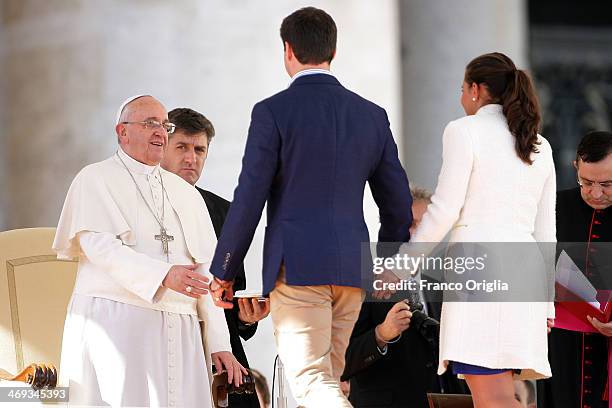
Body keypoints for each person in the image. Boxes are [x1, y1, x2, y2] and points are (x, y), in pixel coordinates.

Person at [208, 7, 413, 407]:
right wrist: (389, 259)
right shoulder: (371, 115)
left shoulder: (273, 112)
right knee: (327, 382)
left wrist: (224, 270)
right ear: (332, 51)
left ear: (288, 50)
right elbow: (399, 202)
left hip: (299, 268)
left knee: (309, 382)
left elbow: (249, 197)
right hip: (352, 269)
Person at [53, 95, 245, 407]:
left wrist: (219, 342)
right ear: (122, 131)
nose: (160, 131)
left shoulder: (186, 194)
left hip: (181, 331)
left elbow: (207, 271)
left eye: (164, 125)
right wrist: (162, 274)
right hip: (117, 325)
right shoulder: (94, 179)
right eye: (149, 123)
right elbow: (99, 246)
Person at [406, 53, 556, 407]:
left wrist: (402, 262)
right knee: (499, 395)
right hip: (526, 280)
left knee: (492, 399)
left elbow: (443, 209)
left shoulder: (463, 131)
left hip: (479, 275)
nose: (460, 98)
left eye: (462, 89)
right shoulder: (541, 144)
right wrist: (548, 304)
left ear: (476, 90)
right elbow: (546, 231)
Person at [160, 107, 270, 407]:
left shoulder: (225, 212)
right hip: (159, 339)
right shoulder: (138, 204)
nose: (191, 158)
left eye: (199, 150)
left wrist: (247, 320)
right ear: (161, 146)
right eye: (181, 147)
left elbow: (232, 292)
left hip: (220, 352)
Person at [342, 188, 468, 407]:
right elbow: (340, 361)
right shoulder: (361, 281)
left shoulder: (444, 284)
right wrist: (381, 335)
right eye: (407, 224)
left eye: (423, 226)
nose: (415, 234)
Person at [537, 131, 612, 408]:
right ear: (575, 169)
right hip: (563, 347)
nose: (595, 193)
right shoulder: (552, 208)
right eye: (586, 182)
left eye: (607, 184)